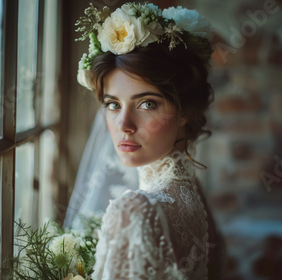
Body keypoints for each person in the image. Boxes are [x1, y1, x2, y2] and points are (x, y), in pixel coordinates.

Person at [72, 3, 223, 279]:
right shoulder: (191, 192)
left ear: (184, 111)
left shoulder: (134, 212)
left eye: (147, 104)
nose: (124, 126)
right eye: (113, 105)